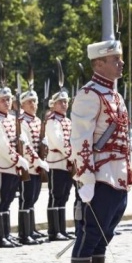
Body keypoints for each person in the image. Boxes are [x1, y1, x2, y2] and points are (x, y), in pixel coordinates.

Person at [69, 39, 130, 263]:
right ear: (98, 63)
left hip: (117, 177)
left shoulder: (115, 95)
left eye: (120, 58)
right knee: (89, 235)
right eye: (114, 59)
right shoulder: (89, 94)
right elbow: (81, 138)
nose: (121, 63)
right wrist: (85, 178)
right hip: (100, 177)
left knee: (103, 238)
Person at [0, 87, 31, 248]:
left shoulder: (14, 119)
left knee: (7, 200)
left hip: (14, 166)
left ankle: (6, 234)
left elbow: (21, 141)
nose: (7, 103)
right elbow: (1, 145)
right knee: (1, 200)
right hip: (3, 164)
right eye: (3, 100)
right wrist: (18, 159)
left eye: (8, 99)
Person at [18, 90, 50, 245]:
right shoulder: (22, 122)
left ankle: (31, 229)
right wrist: (37, 161)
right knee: (26, 199)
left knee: (33, 198)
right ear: (22, 105)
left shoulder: (38, 121)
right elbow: (26, 147)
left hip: (38, 166)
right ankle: (24, 233)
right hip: (28, 166)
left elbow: (41, 142)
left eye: (34, 101)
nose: (33, 104)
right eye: (29, 102)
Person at [45, 91, 75, 241]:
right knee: (55, 196)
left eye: (65, 102)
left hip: (67, 164)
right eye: (60, 102)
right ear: (54, 104)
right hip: (57, 162)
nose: (64, 104)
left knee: (64, 197)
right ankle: (53, 230)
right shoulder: (52, 121)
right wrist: (72, 154)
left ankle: (61, 229)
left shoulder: (68, 121)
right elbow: (58, 141)